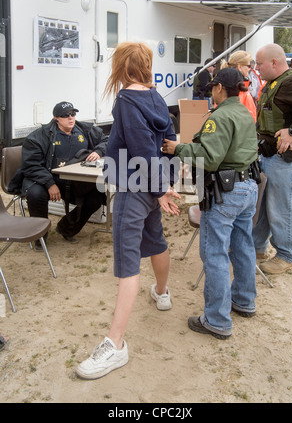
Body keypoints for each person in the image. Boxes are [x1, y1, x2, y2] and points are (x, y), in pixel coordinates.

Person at [76, 42, 180, 380]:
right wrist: (166, 184)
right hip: (150, 189)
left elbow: (140, 149)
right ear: (147, 65)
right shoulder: (157, 97)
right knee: (156, 241)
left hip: (135, 189)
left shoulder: (126, 100)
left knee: (127, 263)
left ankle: (115, 344)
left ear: (121, 66)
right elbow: (168, 141)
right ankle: (162, 294)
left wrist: (161, 187)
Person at [163, 68, 258, 340]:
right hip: (247, 187)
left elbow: (211, 157)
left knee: (215, 254)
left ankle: (216, 320)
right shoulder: (243, 111)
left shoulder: (220, 116)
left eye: (213, 86)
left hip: (225, 192)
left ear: (218, 89)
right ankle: (243, 301)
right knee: (243, 246)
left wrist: (177, 148)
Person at [20, 101, 108, 250]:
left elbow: (106, 140)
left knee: (96, 198)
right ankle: (39, 237)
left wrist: (98, 151)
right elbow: (31, 165)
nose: (71, 118)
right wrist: (49, 184)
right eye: (66, 115)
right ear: (56, 118)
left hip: (74, 180)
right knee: (35, 195)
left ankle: (67, 228)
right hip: (48, 179)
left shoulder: (85, 130)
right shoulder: (39, 136)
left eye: (73, 114)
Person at [253, 43, 292, 275]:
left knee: (283, 206)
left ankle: (287, 255)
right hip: (268, 155)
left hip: (284, 159)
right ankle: (258, 246)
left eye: (259, 63)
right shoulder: (273, 84)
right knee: (262, 205)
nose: (256, 67)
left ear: (274, 62)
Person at [220, 50, 257, 121]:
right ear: (240, 67)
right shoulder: (235, 87)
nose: (250, 69)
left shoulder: (240, 85)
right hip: (241, 129)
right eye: (248, 66)